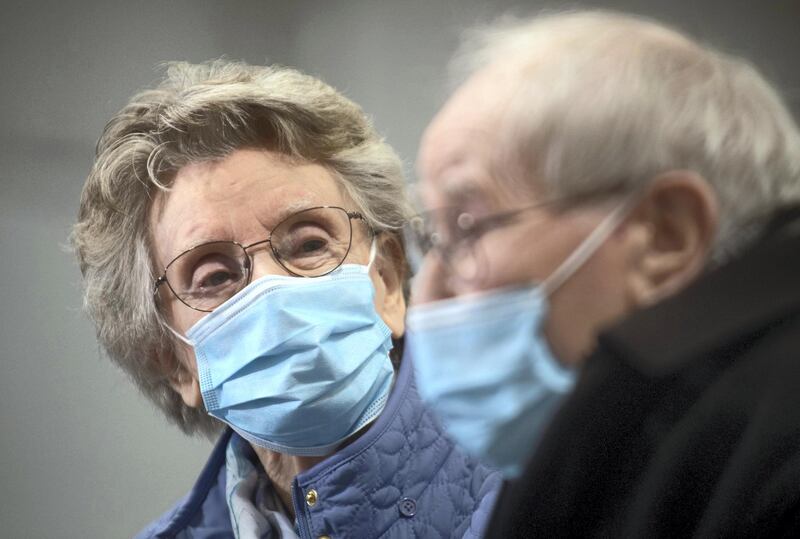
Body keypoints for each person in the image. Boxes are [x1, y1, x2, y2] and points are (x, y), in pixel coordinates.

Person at [405, 10, 800, 537]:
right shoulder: (618, 439)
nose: (427, 296)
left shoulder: (775, 466)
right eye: (433, 240)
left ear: (665, 237)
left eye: (469, 227)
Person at [72, 60, 500, 539]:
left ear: (387, 280)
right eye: (214, 276)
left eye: (310, 244)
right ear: (173, 361)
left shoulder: (549, 487)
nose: (272, 289)